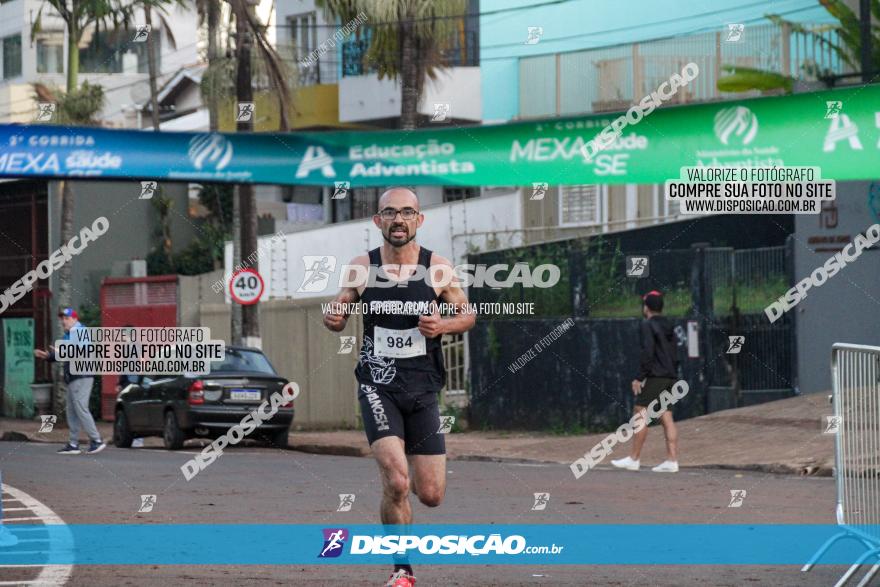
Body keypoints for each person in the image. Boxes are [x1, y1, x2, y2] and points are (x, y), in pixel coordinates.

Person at [323, 187, 475, 587]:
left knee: (430, 494)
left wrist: (442, 325)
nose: (398, 220)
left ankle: (399, 508)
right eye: (389, 213)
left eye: (407, 212)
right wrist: (335, 316)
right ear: (378, 221)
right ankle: (402, 570)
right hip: (378, 386)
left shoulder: (438, 268)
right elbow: (339, 307)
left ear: (419, 220)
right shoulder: (361, 266)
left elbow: (467, 315)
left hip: (424, 388)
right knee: (397, 481)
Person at [611, 290, 679, 473]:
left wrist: (640, 377)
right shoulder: (670, 324)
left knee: (640, 412)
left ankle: (634, 458)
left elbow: (648, 352)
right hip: (671, 375)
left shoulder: (647, 325)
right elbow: (674, 352)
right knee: (666, 415)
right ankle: (672, 460)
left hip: (656, 375)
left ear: (646, 307)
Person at [33, 307, 106, 455]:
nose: (63, 321)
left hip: (82, 376)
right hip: (73, 378)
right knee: (72, 412)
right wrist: (48, 356)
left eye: (66, 318)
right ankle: (73, 444)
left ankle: (96, 440)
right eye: (62, 319)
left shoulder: (80, 331)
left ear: (74, 319)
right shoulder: (69, 334)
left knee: (81, 408)